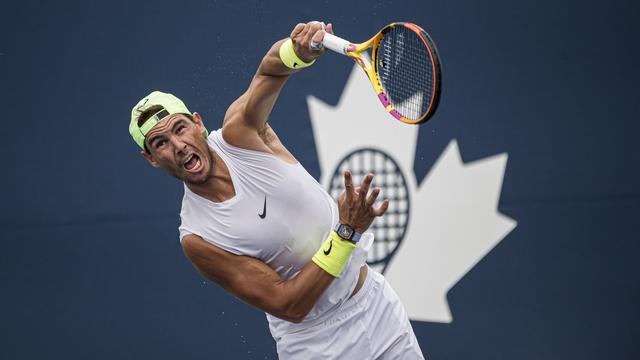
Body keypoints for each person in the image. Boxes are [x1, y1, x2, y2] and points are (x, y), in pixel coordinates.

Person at [129, 21, 424, 359]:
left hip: (376, 306)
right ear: (151, 159)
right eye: (160, 143)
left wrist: (297, 52)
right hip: (318, 346)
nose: (178, 145)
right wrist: (346, 232)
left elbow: (269, 71)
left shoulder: (240, 132)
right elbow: (289, 304)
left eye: (180, 128)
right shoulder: (198, 237)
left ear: (198, 122)